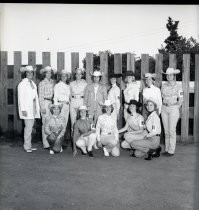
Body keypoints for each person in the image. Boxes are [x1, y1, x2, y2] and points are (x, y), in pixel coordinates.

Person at [161, 67, 183, 157]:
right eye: (167, 75)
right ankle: (166, 149)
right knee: (166, 131)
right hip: (164, 108)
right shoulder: (163, 85)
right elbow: (161, 97)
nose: (169, 76)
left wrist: (175, 107)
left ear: (174, 76)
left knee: (171, 130)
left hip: (173, 108)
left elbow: (181, 99)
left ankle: (171, 150)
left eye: (171, 75)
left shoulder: (179, 86)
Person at [17, 65, 40, 153]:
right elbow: (21, 98)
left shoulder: (33, 83)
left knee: (30, 127)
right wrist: (23, 109)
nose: (30, 74)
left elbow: (35, 97)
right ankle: (26, 146)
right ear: (25, 74)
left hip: (33, 107)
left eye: (31, 72)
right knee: (28, 127)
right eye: (28, 72)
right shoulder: (22, 84)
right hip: (27, 108)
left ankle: (29, 145)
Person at [38, 66, 55, 149]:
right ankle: (45, 144)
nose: (49, 74)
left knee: (51, 123)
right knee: (45, 123)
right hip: (45, 102)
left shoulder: (52, 82)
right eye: (47, 72)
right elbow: (40, 96)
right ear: (44, 74)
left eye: (50, 72)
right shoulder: (41, 83)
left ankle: (51, 141)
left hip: (51, 103)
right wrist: (42, 107)